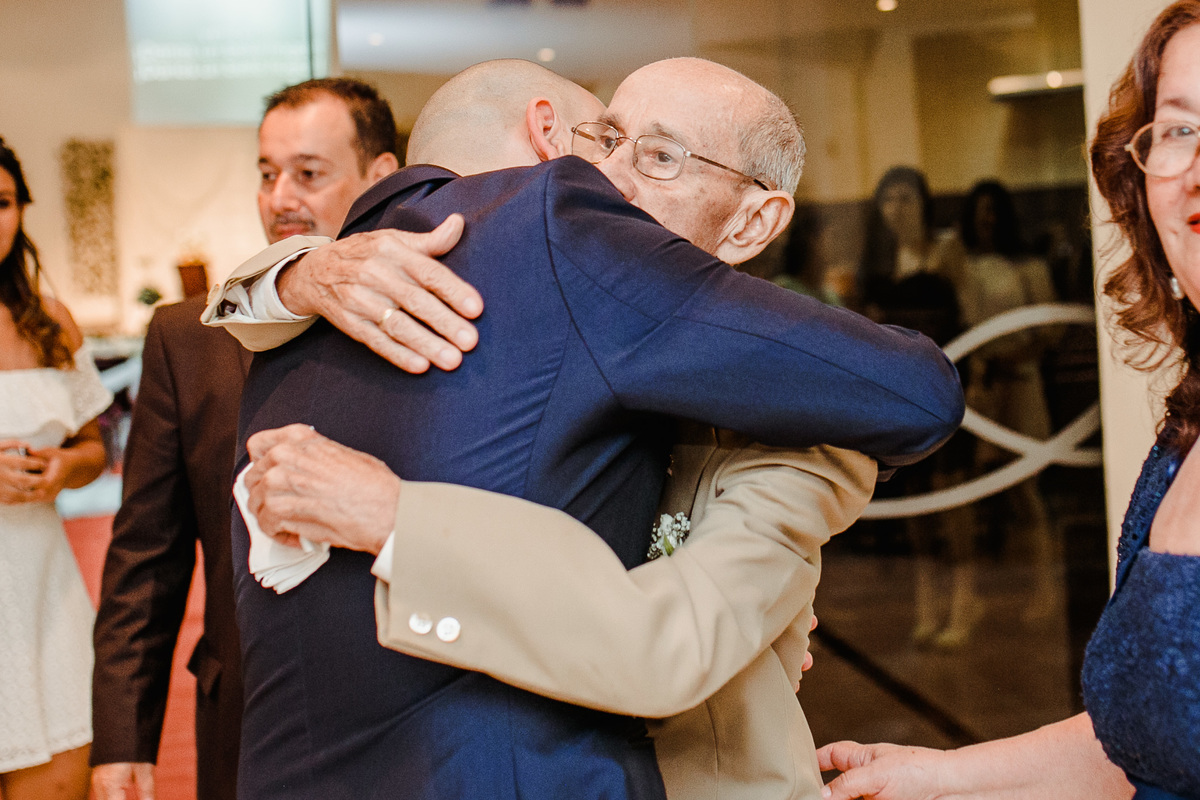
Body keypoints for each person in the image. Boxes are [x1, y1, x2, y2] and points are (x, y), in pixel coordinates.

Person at [209, 58, 963, 800]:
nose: (611, 181)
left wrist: (393, 519)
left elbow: (667, 646)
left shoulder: (807, 433)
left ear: (753, 221)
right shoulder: (350, 289)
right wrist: (291, 276)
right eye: (604, 142)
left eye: (661, 156)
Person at [819, 2, 1200, 797]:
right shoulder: (1181, 442)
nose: (1199, 166)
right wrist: (940, 775)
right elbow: (1147, 735)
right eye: (1180, 129)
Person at [88, 77, 468, 800]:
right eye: (267, 174)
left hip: (419, 713)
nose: (280, 196)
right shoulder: (189, 335)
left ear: (380, 176)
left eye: (308, 173)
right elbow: (147, 557)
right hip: (247, 716)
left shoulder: (442, 311)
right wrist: (122, 739)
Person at [0, 137, 111, 800]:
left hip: (43, 589)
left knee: (62, 775)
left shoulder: (50, 322)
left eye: (4, 201)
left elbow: (96, 447)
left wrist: (64, 466)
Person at [858, 165, 978, 648]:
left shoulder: (947, 249)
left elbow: (968, 316)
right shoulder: (881, 259)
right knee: (917, 511)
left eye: (906, 197)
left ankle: (965, 604)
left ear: (924, 201)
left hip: (950, 386)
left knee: (953, 505)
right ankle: (929, 608)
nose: (897, 208)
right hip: (902, 395)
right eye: (889, 199)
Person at [958, 179, 1061, 623]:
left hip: (1019, 382)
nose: (988, 218)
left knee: (1026, 489)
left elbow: (1052, 328)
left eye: (994, 209)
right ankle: (973, 599)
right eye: (980, 209)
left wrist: (1014, 358)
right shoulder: (962, 266)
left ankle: (1046, 590)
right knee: (974, 492)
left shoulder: (1028, 267)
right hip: (979, 387)